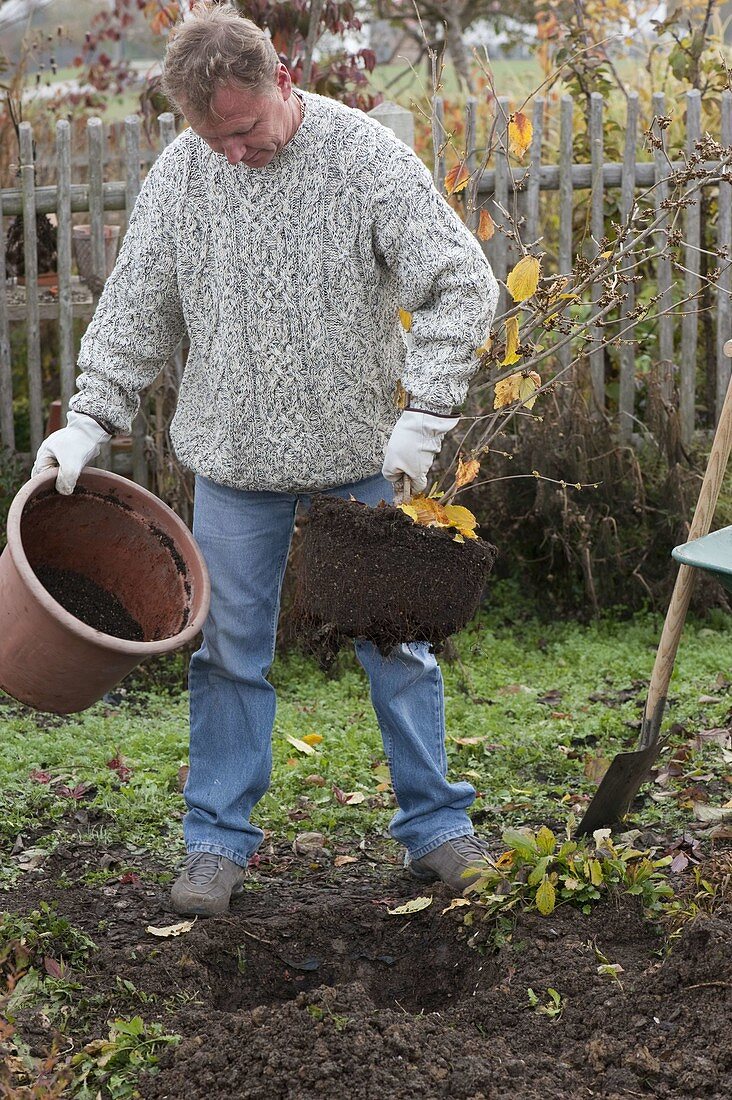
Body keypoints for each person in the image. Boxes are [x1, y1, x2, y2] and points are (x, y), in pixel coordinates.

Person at [31, 2, 499, 916]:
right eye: (216, 141)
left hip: (361, 462)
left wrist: (428, 413)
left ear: (283, 79)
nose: (234, 155)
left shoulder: (363, 158)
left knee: (397, 645)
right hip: (233, 467)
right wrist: (89, 418)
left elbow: (460, 282)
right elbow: (136, 313)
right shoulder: (183, 174)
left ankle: (438, 829)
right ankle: (216, 843)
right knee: (229, 657)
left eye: (246, 132)